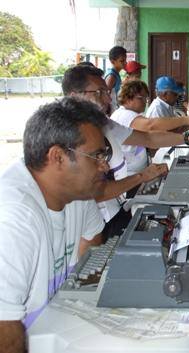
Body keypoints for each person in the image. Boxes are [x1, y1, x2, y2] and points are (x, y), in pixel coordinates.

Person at [62, 65, 189, 241]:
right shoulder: (68, 134)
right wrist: (142, 176)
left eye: (107, 91)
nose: (108, 98)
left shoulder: (102, 122)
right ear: (74, 96)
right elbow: (96, 191)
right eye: (100, 92)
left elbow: (148, 138)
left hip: (113, 210)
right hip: (91, 225)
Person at [0, 97, 110, 351]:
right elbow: (4, 331)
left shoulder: (77, 193)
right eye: (96, 156)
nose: (104, 165)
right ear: (58, 157)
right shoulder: (14, 219)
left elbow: (92, 238)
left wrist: (79, 296)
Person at [104, 46, 127, 112]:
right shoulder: (111, 76)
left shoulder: (116, 74)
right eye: (122, 61)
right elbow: (105, 96)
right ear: (113, 62)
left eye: (125, 60)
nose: (125, 63)